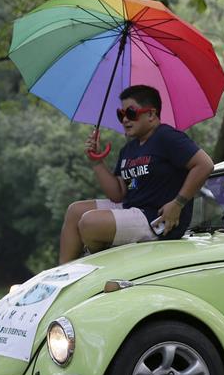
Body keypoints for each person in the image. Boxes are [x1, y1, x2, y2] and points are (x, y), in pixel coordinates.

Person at [58, 85, 214, 263]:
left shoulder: (167, 137)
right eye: (120, 114)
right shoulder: (129, 149)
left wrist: (178, 203)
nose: (124, 119)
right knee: (75, 211)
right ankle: (62, 273)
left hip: (157, 219)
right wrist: (96, 162)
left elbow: (205, 164)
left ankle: (92, 262)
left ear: (151, 114)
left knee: (89, 222)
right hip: (133, 209)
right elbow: (118, 194)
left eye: (131, 113)